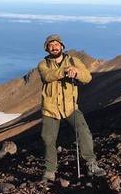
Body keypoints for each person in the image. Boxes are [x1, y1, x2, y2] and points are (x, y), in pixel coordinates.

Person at [37, 34, 105, 183]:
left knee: (83, 132)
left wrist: (77, 72)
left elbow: (87, 77)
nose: (54, 47)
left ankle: (91, 164)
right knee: (48, 139)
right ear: (47, 49)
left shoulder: (74, 61)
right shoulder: (43, 64)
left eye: (56, 44)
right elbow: (46, 76)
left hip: (70, 107)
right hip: (50, 109)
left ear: (62, 46)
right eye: (51, 45)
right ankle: (50, 171)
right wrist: (65, 71)